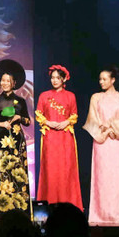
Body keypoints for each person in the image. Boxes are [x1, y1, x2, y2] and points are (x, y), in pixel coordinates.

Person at [82, 65, 119, 226]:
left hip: (118, 141)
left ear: (113, 80)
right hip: (102, 143)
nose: (101, 82)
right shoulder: (96, 97)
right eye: (100, 79)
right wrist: (104, 132)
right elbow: (93, 119)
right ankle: (101, 214)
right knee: (102, 178)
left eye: (105, 79)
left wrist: (112, 128)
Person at [0, 59, 32, 220]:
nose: (5, 83)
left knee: (18, 173)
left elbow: (28, 121)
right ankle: (0, 210)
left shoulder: (21, 101)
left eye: (8, 81)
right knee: (0, 172)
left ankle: (20, 209)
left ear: (14, 83)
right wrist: (1, 123)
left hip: (17, 140)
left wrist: (19, 116)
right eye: (3, 80)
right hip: (0, 140)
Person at [35, 65, 82, 210]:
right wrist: (49, 122)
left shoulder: (70, 96)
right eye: (52, 78)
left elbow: (74, 115)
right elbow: (39, 114)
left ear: (64, 79)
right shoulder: (44, 95)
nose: (54, 81)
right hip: (50, 136)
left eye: (57, 78)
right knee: (50, 169)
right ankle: (49, 204)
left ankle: (69, 205)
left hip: (65, 136)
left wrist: (66, 122)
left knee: (66, 170)